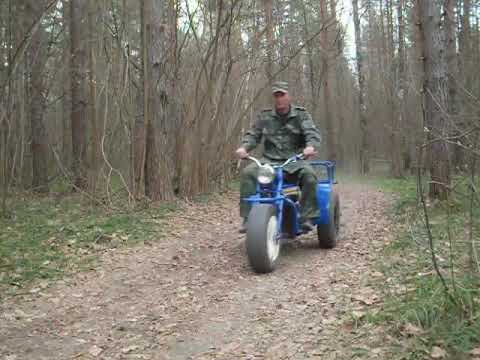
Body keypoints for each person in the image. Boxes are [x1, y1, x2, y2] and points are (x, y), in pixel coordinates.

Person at [235, 81, 322, 234]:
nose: (279, 98)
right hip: (269, 162)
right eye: (276, 95)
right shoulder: (265, 115)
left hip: (294, 161)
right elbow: (253, 135)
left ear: (289, 96)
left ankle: (307, 217)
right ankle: (248, 218)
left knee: (310, 176)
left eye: (282, 95)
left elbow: (312, 133)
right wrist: (244, 147)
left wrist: (310, 147)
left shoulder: (301, 115)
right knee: (248, 173)